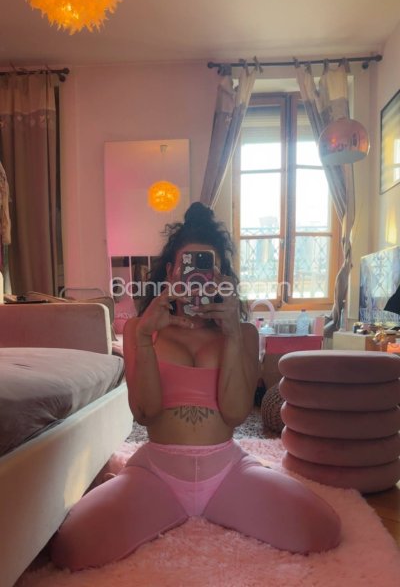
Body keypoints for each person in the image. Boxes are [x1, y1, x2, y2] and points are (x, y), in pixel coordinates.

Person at [51, 202, 341, 571]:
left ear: (222, 278)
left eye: (209, 269)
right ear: (171, 272)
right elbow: (145, 413)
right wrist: (145, 339)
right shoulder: (142, 329)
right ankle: (128, 485)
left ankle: (229, 484)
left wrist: (232, 334)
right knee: (71, 547)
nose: (198, 280)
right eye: (189, 268)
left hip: (227, 470)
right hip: (156, 471)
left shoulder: (244, 334)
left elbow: (235, 414)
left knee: (322, 529)